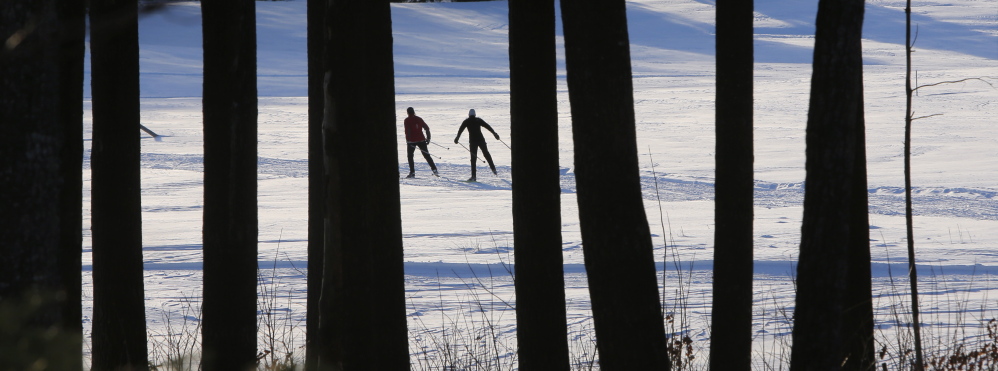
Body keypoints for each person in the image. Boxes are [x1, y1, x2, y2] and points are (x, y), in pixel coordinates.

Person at [453, 109, 500, 182]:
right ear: (475, 114)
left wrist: (457, 138)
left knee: (473, 158)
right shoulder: (478, 120)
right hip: (481, 140)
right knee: (486, 154)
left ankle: (473, 176)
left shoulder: (466, 121)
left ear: (469, 115)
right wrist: (494, 133)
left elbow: (460, 130)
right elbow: (487, 126)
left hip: (473, 141)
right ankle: (493, 169)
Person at [403, 107, 438, 178]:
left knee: (410, 156)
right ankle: (435, 170)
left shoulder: (407, 120)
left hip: (411, 141)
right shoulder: (419, 119)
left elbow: (407, 131)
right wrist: (428, 138)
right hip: (421, 140)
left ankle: (412, 173)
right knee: (427, 156)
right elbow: (427, 128)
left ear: (407, 112)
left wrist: (408, 140)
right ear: (414, 112)